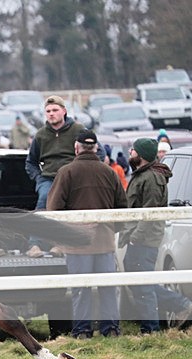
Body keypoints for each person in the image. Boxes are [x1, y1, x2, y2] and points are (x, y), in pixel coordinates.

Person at [47, 130, 128, 339]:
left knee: (80, 289)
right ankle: (111, 329)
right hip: (105, 241)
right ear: (96, 148)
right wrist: (110, 229)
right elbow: (122, 207)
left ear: (77, 148)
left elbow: (53, 209)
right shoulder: (109, 172)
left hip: (76, 244)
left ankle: (82, 330)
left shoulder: (66, 172)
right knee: (107, 288)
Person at [119, 137, 192, 333]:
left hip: (143, 240)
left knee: (143, 285)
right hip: (139, 238)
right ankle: (177, 306)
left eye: (134, 150)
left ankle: (152, 328)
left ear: (142, 155)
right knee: (138, 283)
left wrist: (135, 237)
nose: (130, 153)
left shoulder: (151, 178)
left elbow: (150, 212)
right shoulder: (143, 174)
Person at [25, 95, 86, 257]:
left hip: (73, 178)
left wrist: (84, 173)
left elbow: (97, 151)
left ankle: (60, 244)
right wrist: (38, 178)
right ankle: (34, 244)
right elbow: (30, 162)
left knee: (70, 208)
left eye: (55, 110)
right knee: (43, 202)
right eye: (48, 111)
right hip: (48, 178)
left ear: (64, 111)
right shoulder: (40, 135)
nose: (51, 114)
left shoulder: (79, 130)